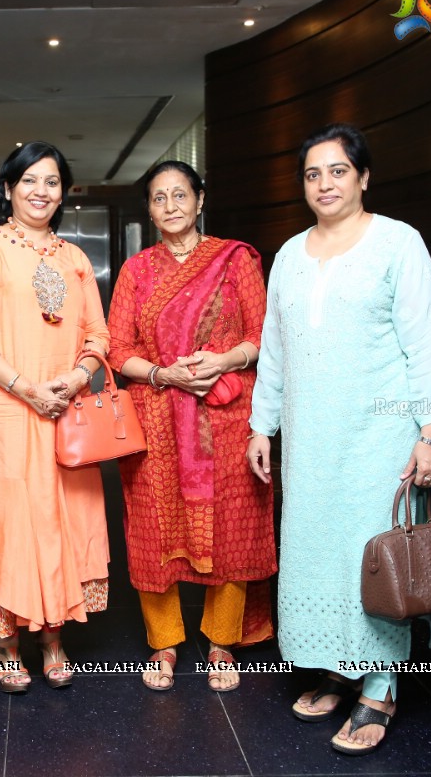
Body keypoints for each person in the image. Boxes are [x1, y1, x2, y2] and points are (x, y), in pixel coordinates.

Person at [246, 123, 431, 755]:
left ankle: (382, 686)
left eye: (338, 170)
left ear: (363, 177)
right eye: (313, 174)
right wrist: (263, 423)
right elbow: (275, 350)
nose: (325, 183)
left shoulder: (398, 243)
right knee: (320, 552)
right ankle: (339, 667)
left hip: (379, 435)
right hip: (311, 439)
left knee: (371, 555)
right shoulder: (288, 255)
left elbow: (426, 340)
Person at [0, 141, 110, 692]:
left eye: (52, 182)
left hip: (62, 409)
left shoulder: (75, 258)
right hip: (2, 411)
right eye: (30, 181)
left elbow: (97, 334)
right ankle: (7, 640)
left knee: (60, 518)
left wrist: (79, 375)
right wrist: (27, 389)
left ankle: (54, 636)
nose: (41, 191)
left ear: (63, 192)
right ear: (9, 188)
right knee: (8, 521)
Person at [107, 161, 277, 692]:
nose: (170, 206)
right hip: (156, 413)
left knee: (229, 523)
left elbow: (264, 336)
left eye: (180, 195)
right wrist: (163, 372)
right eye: (159, 198)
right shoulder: (137, 271)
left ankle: (222, 641)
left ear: (200, 200)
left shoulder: (236, 260)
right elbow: (118, 348)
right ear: (150, 210)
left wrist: (223, 361)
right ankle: (164, 643)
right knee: (154, 528)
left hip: (225, 413)